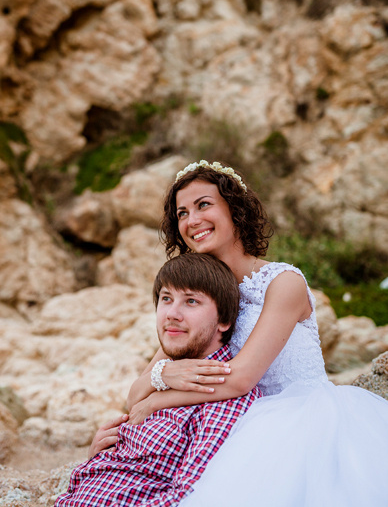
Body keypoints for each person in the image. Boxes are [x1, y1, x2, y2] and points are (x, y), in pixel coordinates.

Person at [125, 160, 388, 506]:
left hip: (305, 421)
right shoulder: (202, 296)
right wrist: (163, 374)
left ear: (234, 210)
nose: (192, 220)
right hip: (233, 425)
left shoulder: (283, 283)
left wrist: (158, 398)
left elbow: (240, 379)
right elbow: (135, 395)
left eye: (204, 205)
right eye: (182, 213)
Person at [54, 253, 261, 507]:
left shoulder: (224, 399)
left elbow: (187, 497)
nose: (172, 314)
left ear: (224, 320)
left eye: (191, 301)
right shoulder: (167, 374)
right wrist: (97, 459)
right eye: (166, 299)